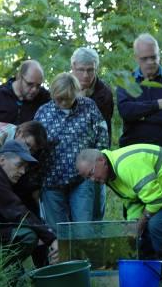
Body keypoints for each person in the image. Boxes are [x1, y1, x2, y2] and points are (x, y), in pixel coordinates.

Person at [76, 144, 162, 269]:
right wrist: (133, 225)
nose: (92, 180)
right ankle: (149, 269)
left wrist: (140, 223)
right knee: (140, 231)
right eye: (87, 178)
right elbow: (132, 201)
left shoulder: (125, 166)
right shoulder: (109, 175)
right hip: (159, 187)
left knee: (157, 225)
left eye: (91, 173)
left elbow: (156, 199)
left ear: (101, 161)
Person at [34, 73, 108, 232]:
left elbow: (102, 137)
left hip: (82, 180)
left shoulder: (89, 107)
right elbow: (35, 146)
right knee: (57, 232)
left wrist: (96, 168)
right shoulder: (43, 112)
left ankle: (85, 257)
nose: (63, 103)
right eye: (58, 98)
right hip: (51, 180)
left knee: (84, 229)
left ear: (76, 93)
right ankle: (64, 258)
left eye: (67, 98)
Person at [0, 140, 58, 267]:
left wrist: (44, 236)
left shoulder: (1, 177)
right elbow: (17, 211)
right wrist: (51, 239)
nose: (23, 171)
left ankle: (41, 274)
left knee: (33, 232)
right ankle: (1, 271)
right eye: (19, 165)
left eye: (25, 167)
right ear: (2, 160)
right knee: (27, 236)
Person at [116, 33, 162, 151]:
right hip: (134, 149)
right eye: (145, 58)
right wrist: (157, 104)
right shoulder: (127, 82)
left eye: (154, 57)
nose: (150, 62)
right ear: (136, 58)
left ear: (159, 56)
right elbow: (126, 111)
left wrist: (141, 117)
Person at [0, 60, 50, 124]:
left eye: (38, 86)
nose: (34, 90)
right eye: (29, 84)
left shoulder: (44, 97)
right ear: (19, 77)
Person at [71, 47, 114, 144]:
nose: (85, 75)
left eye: (90, 70)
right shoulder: (64, 87)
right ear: (73, 68)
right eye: (81, 70)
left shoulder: (104, 94)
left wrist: (81, 102)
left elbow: (101, 129)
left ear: (96, 69)